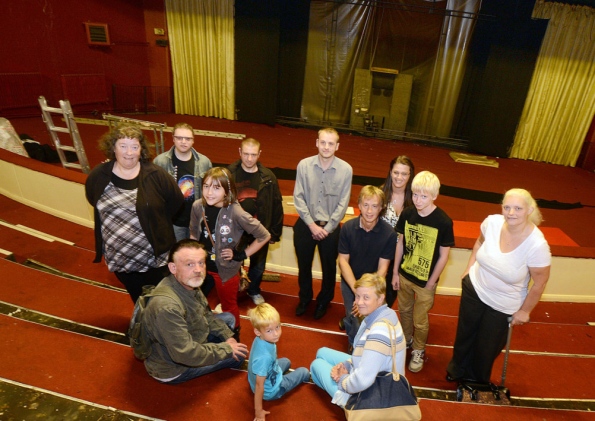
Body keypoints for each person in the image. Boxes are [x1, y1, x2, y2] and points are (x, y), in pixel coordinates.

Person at [446, 188, 551, 384]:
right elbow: (478, 243)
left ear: (529, 210)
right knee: (465, 334)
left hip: (503, 304)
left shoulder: (537, 245)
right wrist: (468, 269)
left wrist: (525, 311)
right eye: (507, 207)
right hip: (475, 288)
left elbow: (540, 282)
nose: (511, 213)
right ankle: (457, 368)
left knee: (487, 346)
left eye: (518, 208)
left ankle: (476, 380)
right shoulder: (492, 222)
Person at [85, 124, 184, 303]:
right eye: (123, 146)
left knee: (162, 301)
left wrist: (154, 219)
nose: (129, 152)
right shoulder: (98, 176)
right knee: (139, 300)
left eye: (134, 147)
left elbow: (175, 202)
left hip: (154, 259)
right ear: (113, 148)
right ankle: (145, 327)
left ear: (141, 150)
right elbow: (93, 199)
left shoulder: (156, 175)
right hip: (121, 260)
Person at [142, 239, 248, 384]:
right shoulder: (167, 307)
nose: (198, 270)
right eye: (189, 264)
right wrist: (227, 349)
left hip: (185, 340)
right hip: (174, 367)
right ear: (173, 268)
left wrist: (228, 337)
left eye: (201, 263)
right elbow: (185, 354)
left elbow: (206, 315)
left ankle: (214, 346)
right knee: (239, 357)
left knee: (228, 319)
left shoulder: (188, 282)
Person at [189, 167, 271, 336]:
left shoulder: (236, 211)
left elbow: (264, 235)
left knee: (228, 305)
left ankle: (234, 335)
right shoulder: (198, 206)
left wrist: (241, 255)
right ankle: (202, 331)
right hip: (201, 266)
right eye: (206, 186)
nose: (209, 192)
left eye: (216, 187)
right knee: (195, 301)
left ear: (227, 190)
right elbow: (192, 234)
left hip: (225, 270)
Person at [310, 273, 406, 408]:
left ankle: (346, 403)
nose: (359, 302)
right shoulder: (388, 313)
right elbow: (367, 358)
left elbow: (362, 380)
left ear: (380, 299)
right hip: (379, 377)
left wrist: (343, 379)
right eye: (358, 296)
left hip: (372, 397)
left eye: (366, 297)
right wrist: (347, 365)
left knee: (316, 365)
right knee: (322, 352)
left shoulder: (379, 332)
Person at [392, 170, 454, 373]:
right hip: (405, 275)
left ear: (434, 196)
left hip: (426, 281)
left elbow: (444, 255)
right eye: (415, 194)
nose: (418, 200)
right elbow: (400, 243)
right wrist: (395, 272)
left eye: (424, 196)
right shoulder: (408, 213)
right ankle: (406, 339)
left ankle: (418, 349)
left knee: (420, 319)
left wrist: (431, 282)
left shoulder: (443, 221)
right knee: (405, 311)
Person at [293, 127, 353, 320]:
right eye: (323, 142)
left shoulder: (346, 170)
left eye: (331, 143)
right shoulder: (304, 165)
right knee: (304, 266)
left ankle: (323, 302)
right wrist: (311, 225)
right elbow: (298, 198)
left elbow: (343, 204)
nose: (326, 147)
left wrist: (327, 229)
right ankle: (304, 299)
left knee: (329, 269)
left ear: (337, 146)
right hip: (305, 224)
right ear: (317, 143)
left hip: (331, 228)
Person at [338, 186, 397, 347]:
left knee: (366, 317)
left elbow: (383, 269)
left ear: (381, 208)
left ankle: (361, 344)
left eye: (374, 206)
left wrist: (366, 294)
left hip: (372, 285)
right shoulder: (348, 228)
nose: (369, 211)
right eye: (366, 205)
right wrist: (357, 291)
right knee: (352, 313)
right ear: (359, 205)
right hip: (351, 281)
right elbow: (343, 261)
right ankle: (353, 340)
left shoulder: (389, 234)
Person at [228, 138, 283, 305]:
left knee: (258, 265)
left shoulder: (268, 177)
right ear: (239, 152)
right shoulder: (229, 173)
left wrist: (275, 232)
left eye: (253, 155)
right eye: (246, 154)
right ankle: (231, 292)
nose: (249, 159)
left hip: (259, 230)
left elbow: (276, 204)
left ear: (259, 154)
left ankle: (253, 290)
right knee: (232, 262)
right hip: (235, 229)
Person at [247, 303, 310, 420]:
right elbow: (259, 385)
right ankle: (281, 387)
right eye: (269, 331)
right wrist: (258, 412)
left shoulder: (261, 338)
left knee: (287, 361)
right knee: (304, 372)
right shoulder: (264, 358)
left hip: (269, 371)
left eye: (277, 327)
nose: (276, 333)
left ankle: (279, 373)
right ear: (258, 332)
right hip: (272, 390)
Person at [153, 122, 212, 241]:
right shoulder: (160, 162)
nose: (183, 142)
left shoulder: (204, 162)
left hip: (196, 220)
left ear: (193, 141)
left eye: (188, 138)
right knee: (178, 254)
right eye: (179, 138)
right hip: (173, 221)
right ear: (173, 139)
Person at [380, 155, 415, 307]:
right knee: (372, 290)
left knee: (389, 294)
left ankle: (378, 321)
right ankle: (357, 320)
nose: (399, 177)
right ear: (390, 172)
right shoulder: (380, 194)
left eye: (404, 174)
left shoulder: (416, 199)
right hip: (378, 252)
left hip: (401, 256)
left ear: (410, 176)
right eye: (396, 172)